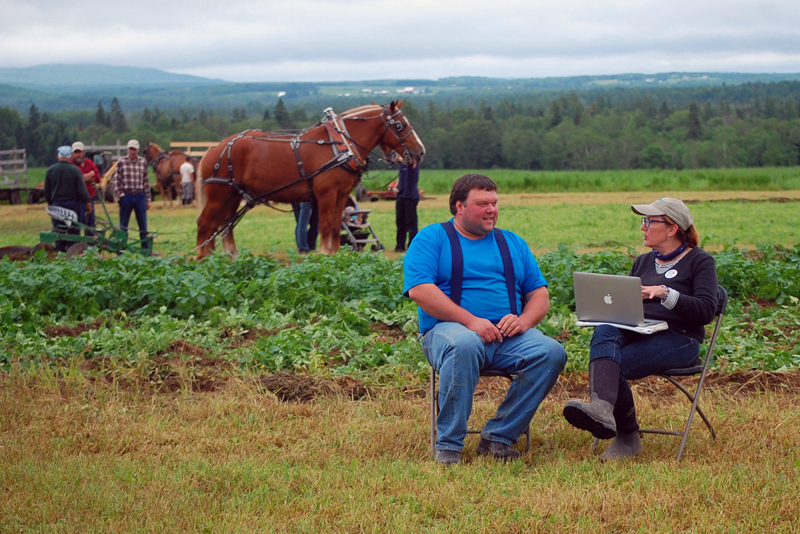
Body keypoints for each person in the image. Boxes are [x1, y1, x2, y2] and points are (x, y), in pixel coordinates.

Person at [403, 173, 567, 465]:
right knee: (464, 344)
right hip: (448, 333)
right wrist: (470, 321)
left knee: (551, 352)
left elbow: (539, 295)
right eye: (482, 203)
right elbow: (420, 290)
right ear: (459, 207)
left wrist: (525, 321)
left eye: (494, 202)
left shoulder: (512, 242)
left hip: (507, 339)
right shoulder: (432, 238)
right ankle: (449, 445)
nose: (492, 209)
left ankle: (499, 437)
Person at [562, 197, 718, 461]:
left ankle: (627, 436)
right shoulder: (644, 261)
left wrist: (664, 293)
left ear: (672, 228)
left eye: (648, 221)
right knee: (605, 329)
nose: (642, 227)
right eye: (643, 221)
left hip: (680, 339)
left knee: (615, 365)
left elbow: (705, 311)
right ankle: (601, 408)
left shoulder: (700, 261)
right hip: (643, 330)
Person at [44, 145, 92, 252]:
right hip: (73, 205)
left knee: (59, 230)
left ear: (58, 156)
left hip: (56, 205)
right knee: (73, 231)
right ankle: (72, 252)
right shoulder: (75, 171)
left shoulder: (50, 171)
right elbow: (82, 191)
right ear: (70, 157)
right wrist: (87, 203)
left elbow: (47, 192)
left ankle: (59, 252)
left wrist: (50, 204)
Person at [113, 139, 152, 251]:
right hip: (127, 195)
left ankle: (145, 249)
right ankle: (122, 248)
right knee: (124, 225)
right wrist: (120, 195)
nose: (132, 151)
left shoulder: (143, 162)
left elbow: (146, 181)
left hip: (140, 195)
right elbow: (116, 180)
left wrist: (148, 199)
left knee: (143, 225)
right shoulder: (121, 162)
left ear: (138, 150)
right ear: (127, 149)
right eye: (130, 149)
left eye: (134, 149)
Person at [70, 141, 101, 235]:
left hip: (89, 198)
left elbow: (98, 179)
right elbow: (79, 179)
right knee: (77, 224)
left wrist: (84, 177)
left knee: (91, 224)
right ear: (72, 154)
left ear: (83, 152)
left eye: (79, 152)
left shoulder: (89, 163)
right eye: (75, 152)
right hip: (76, 200)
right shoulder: (71, 165)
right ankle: (76, 246)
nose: (77, 155)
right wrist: (91, 174)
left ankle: (90, 246)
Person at [393, 158, 420, 253]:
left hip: (410, 196)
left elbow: (413, 160)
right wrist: (395, 186)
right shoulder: (402, 163)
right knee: (400, 222)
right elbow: (401, 175)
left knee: (411, 223)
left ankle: (412, 247)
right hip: (401, 195)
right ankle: (400, 246)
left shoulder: (413, 161)